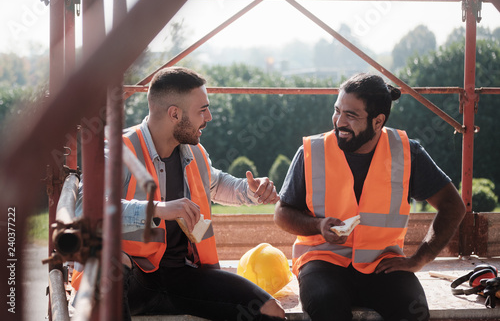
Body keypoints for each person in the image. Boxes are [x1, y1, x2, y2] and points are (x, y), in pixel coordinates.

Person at [75, 67, 285, 321]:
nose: (208, 117)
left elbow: (217, 184)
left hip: (183, 278)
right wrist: (157, 209)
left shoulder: (193, 152)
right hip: (131, 283)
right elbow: (87, 209)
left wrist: (251, 191)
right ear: (174, 114)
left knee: (270, 311)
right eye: (202, 110)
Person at [274, 73, 466, 321]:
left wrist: (420, 259)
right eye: (337, 110)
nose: (339, 122)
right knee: (325, 306)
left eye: (351, 115)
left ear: (378, 121)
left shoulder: (407, 152)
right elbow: (282, 213)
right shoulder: (312, 151)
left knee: (413, 311)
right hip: (322, 259)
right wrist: (318, 226)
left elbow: (453, 206)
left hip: (382, 263)